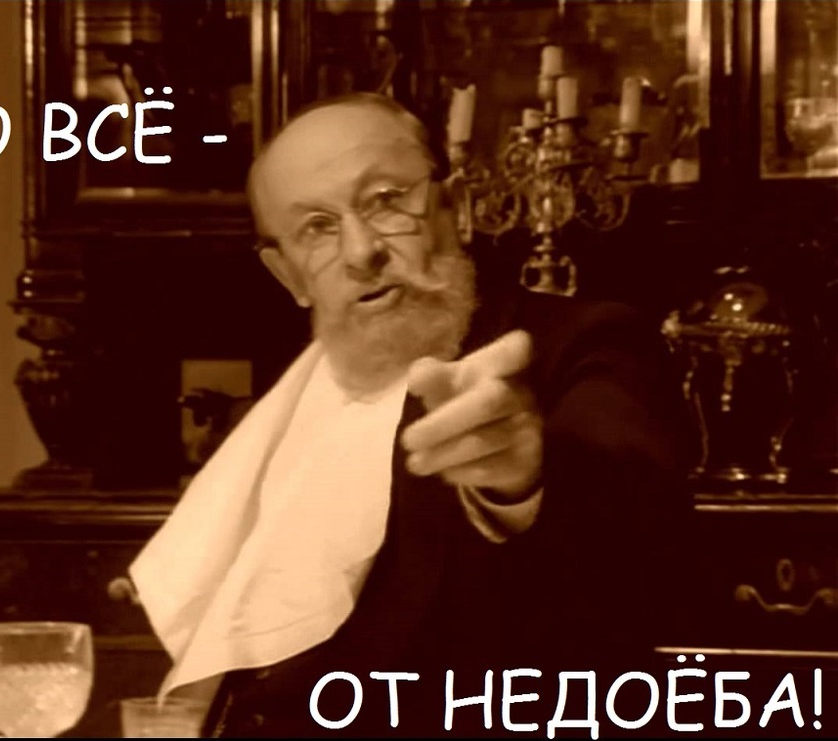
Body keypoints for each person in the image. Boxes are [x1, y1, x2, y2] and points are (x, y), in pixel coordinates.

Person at [129, 93, 693, 738]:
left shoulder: (584, 342)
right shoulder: (280, 408)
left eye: (386, 200)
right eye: (317, 227)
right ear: (289, 276)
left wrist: (526, 480)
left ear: (456, 208)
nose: (360, 250)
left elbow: (634, 521)